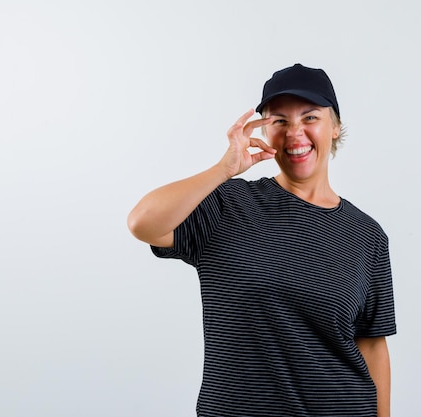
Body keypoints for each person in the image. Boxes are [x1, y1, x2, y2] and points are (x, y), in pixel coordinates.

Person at [127, 63, 396, 417]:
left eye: (310, 117)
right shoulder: (228, 205)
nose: (294, 132)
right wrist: (223, 169)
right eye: (279, 121)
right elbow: (143, 222)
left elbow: (372, 344)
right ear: (265, 132)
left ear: (335, 127)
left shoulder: (366, 235)